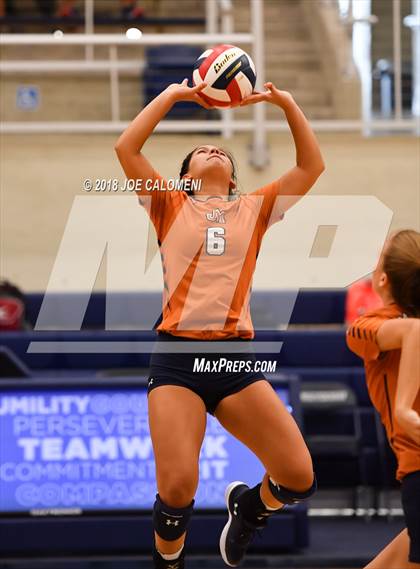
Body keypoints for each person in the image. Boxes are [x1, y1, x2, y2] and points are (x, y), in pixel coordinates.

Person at [115, 78, 324, 568]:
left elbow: (312, 166)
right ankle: (169, 562)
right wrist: (172, 96)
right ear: (185, 177)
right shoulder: (169, 204)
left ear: (233, 179)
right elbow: (126, 146)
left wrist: (286, 102)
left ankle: (249, 509)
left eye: (221, 150)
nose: (213, 150)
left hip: (234, 357)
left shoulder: (253, 208)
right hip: (178, 358)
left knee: (298, 476)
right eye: (201, 150)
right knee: (178, 489)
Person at [346, 229, 420, 569]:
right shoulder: (378, 328)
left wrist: (404, 408)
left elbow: (414, 330)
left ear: (383, 278)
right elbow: (412, 330)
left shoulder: (367, 325)